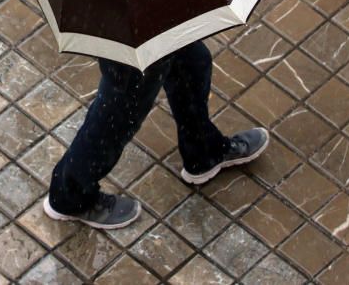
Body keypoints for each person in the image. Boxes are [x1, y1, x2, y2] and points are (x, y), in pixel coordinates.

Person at [43, 41, 268, 229]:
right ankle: (69, 195)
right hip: (130, 29)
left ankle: (203, 151)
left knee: (192, 61)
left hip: (157, 11)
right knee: (120, 110)